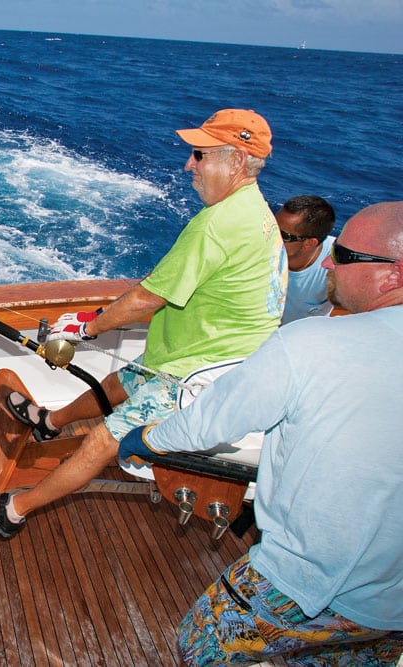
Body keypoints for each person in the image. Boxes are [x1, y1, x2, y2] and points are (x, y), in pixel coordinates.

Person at [0, 108, 287, 538]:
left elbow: (148, 299)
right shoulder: (256, 211)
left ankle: (11, 510)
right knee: (120, 382)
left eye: (199, 155)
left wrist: (86, 328)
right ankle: (49, 423)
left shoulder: (218, 225)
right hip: (201, 355)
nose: (189, 164)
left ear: (238, 161)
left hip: (202, 377)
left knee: (100, 442)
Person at [119, 201, 403, 666]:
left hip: (303, 583)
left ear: (393, 275)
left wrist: (147, 440)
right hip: (391, 608)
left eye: (346, 256)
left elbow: (211, 421)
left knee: (198, 644)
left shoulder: (310, 343)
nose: (330, 261)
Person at [277, 194, 337, 324]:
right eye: (271, 226)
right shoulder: (260, 242)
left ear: (309, 243)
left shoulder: (336, 265)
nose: (271, 236)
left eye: (283, 235)